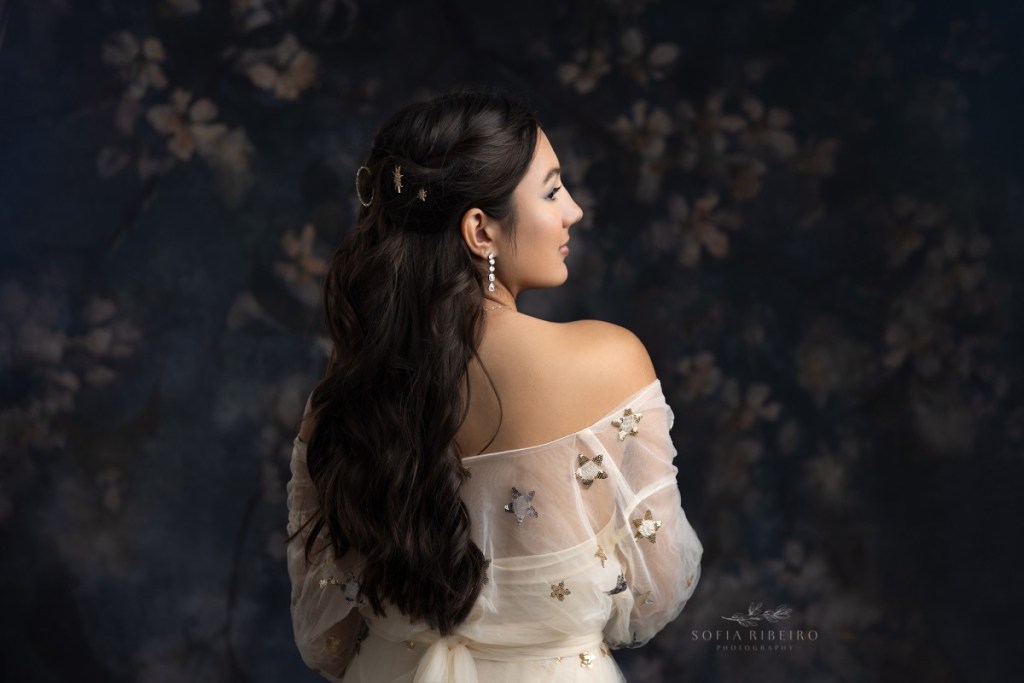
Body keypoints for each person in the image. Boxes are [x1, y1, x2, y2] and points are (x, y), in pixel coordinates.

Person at [286, 86, 703, 683]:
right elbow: (658, 591)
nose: (574, 211)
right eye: (554, 189)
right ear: (480, 230)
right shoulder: (608, 361)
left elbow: (326, 633)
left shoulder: (350, 390)